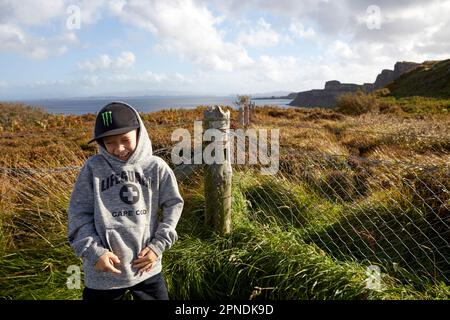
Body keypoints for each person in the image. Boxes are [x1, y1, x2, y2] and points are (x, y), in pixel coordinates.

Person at [68, 101, 184, 300]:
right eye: (110, 142)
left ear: (139, 132)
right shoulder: (93, 168)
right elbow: (78, 214)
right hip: (103, 274)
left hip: (147, 267)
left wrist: (158, 246)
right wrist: (94, 252)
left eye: (125, 139)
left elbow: (173, 204)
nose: (119, 148)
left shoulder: (156, 167)